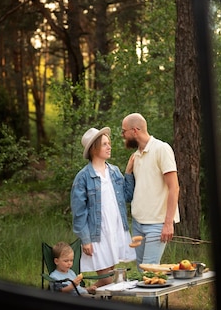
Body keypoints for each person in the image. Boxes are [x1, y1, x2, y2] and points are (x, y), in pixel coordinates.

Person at [71, 126, 136, 288]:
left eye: (109, 143)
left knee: (110, 279)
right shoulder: (83, 177)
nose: (110, 147)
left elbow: (127, 196)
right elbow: (79, 212)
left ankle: (93, 298)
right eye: (105, 144)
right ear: (94, 149)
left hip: (115, 230)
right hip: (97, 236)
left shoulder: (114, 172)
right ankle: (88, 295)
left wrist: (128, 172)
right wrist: (86, 240)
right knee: (106, 279)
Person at [122, 112, 180, 271]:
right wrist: (127, 172)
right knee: (142, 272)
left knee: (149, 271)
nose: (122, 136)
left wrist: (168, 223)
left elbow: (174, 187)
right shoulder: (136, 155)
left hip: (157, 224)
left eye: (124, 131)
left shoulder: (162, 149)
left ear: (134, 131)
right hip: (138, 223)